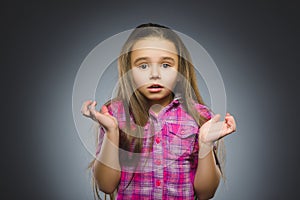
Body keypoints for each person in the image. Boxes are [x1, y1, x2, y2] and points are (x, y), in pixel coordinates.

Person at [81, 23, 236, 200]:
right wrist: (111, 131)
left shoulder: (198, 117)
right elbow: (106, 185)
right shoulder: (115, 114)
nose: (155, 74)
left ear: (180, 71)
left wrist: (206, 144)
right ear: (128, 72)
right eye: (143, 66)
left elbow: (206, 193)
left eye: (165, 65)